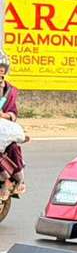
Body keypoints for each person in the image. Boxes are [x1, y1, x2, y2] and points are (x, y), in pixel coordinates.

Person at [0, 54, 25, 198]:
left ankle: (17, 180)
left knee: (13, 148)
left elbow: (14, 112)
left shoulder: (9, 90)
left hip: (3, 129)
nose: (1, 71)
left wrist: (5, 115)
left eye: (3, 68)